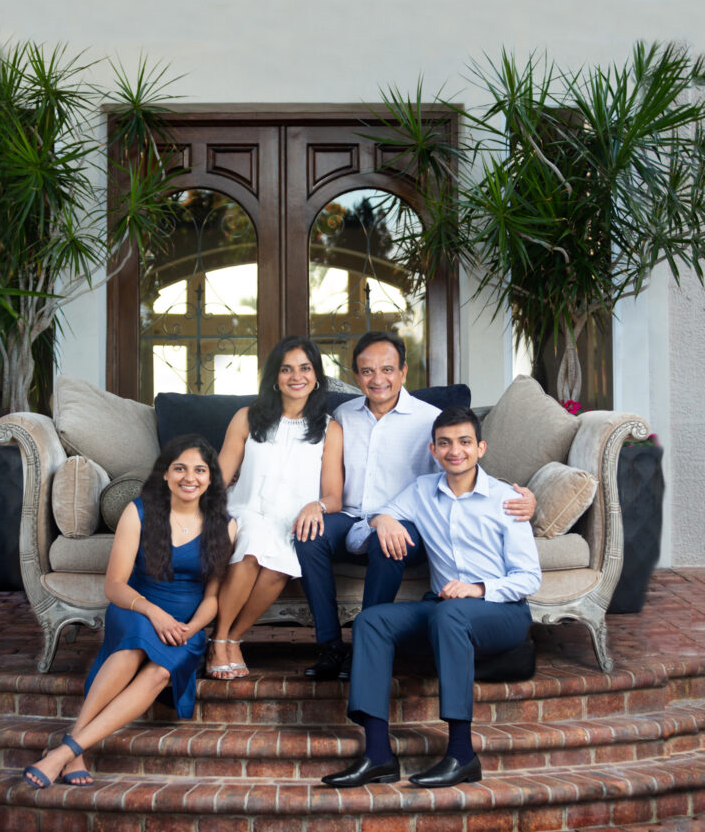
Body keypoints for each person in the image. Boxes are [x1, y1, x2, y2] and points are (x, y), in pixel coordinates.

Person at [321, 406, 542, 789]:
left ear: (480, 448)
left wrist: (479, 588)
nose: (455, 451)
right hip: (443, 609)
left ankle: (461, 754)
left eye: (464, 442)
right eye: (445, 444)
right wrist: (382, 520)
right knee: (371, 621)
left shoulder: (507, 500)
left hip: (502, 611)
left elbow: (528, 578)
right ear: (433, 450)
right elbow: (370, 523)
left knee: (450, 614)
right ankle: (377, 755)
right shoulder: (422, 491)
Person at [296, 331, 535, 681]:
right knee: (307, 537)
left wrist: (523, 499)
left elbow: (461, 465)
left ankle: (368, 645)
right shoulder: (344, 416)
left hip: (406, 523)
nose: (378, 379)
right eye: (367, 371)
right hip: (350, 516)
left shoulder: (428, 420)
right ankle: (331, 646)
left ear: (404, 372)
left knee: (389, 540)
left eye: (388, 369)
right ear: (356, 375)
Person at [22, 434, 235, 789]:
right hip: (135, 608)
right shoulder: (139, 512)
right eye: (180, 468)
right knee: (134, 646)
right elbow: (115, 585)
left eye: (199, 470)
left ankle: (66, 750)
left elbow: (213, 597)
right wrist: (155, 613)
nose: (189, 478)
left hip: (185, 625)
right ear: (165, 474)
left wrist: (190, 627)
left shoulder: (225, 525)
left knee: (159, 674)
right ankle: (69, 752)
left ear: (211, 478)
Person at [209, 335, 344, 679]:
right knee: (254, 545)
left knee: (279, 565)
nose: (296, 376)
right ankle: (220, 639)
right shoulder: (247, 418)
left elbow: (333, 495)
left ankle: (232, 638)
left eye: (305, 368)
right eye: (286, 369)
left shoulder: (330, 429)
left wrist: (317, 506)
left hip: (291, 522)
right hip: (246, 510)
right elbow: (220, 477)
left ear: (316, 377)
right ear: (274, 377)